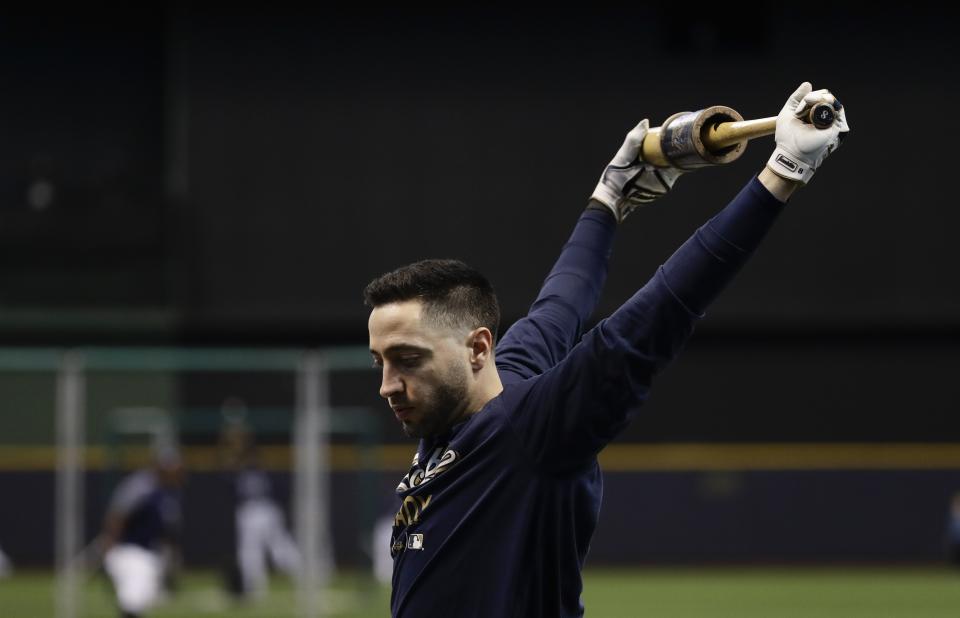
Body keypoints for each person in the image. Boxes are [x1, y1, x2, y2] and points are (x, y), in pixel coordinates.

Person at [363, 82, 849, 617]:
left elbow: (657, 314)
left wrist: (781, 173)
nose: (387, 384)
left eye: (408, 359)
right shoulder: (476, 402)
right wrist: (608, 199)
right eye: (380, 361)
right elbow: (560, 303)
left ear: (478, 348)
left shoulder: (532, 432)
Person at [97, 449, 184, 618]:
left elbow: (167, 533)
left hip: (151, 555)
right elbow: (118, 515)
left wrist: (171, 562)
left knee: (145, 599)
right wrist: (109, 545)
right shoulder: (141, 487)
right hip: (131, 552)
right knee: (132, 603)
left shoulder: (171, 493)